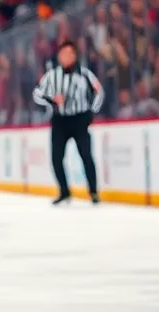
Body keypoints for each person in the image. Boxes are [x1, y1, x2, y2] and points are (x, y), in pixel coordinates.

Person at [33, 40, 104, 205]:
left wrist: (91, 113)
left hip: (79, 119)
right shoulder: (51, 76)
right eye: (63, 54)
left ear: (75, 56)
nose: (66, 57)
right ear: (58, 57)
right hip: (60, 120)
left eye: (70, 54)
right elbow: (37, 93)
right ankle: (64, 191)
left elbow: (99, 92)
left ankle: (93, 191)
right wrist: (52, 100)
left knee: (86, 155)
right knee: (56, 158)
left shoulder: (84, 74)